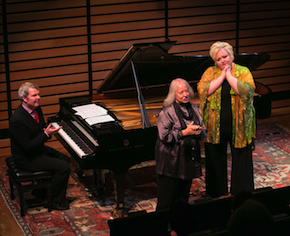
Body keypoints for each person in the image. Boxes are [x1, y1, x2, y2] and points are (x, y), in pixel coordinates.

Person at [197, 41, 256, 198]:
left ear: (232, 55)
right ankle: (216, 191)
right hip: (215, 126)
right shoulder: (210, 72)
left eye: (225, 57)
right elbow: (203, 90)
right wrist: (222, 75)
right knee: (215, 159)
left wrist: (229, 76)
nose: (223, 61)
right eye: (218, 59)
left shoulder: (243, 71)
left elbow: (247, 91)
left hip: (239, 125)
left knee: (241, 159)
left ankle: (242, 193)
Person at [9, 82, 71, 210]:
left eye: (38, 94)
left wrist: (47, 131)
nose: (38, 98)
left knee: (65, 159)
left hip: (37, 151)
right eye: (34, 95)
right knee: (64, 167)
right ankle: (52, 200)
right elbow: (27, 146)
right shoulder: (17, 120)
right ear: (24, 99)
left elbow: (40, 128)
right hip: (27, 158)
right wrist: (46, 134)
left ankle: (41, 192)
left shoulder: (36, 109)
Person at [155, 78, 207, 211]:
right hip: (170, 163)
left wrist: (199, 132)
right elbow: (164, 136)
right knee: (166, 201)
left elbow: (204, 131)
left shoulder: (194, 108)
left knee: (182, 198)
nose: (185, 94)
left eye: (186, 91)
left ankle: (180, 224)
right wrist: (185, 132)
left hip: (188, 160)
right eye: (181, 92)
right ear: (174, 95)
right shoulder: (167, 112)